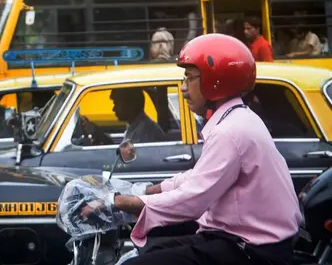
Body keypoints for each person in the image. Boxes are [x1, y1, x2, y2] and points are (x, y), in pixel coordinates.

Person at [82, 34, 301, 265]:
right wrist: (148, 189)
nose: (184, 89)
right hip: (237, 238)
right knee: (145, 250)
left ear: (216, 80)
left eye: (190, 79)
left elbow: (192, 199)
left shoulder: (230, 131)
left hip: (250, 249)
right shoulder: (237, 118)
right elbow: (198, 177)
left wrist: (115, 202)